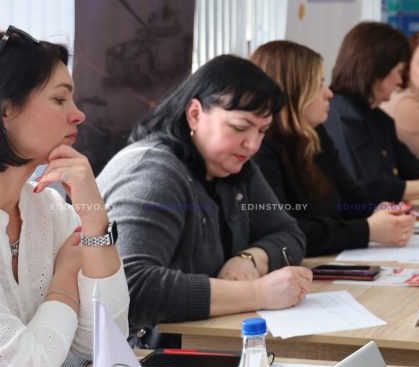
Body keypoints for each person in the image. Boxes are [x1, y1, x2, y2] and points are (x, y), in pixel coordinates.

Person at [96, 55, 312, 331]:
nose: (253, 145)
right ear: (195, 114)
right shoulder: (153, 172)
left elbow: (288, 232)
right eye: (240, 128)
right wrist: (258, 293)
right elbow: (130, 287)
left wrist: (249, 259)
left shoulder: (234, 166)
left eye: (262, 131)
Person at [0, 25, 129, 367]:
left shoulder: (50, 208)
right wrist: (65, 278)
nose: (79, 114)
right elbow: (27, 366)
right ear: (5, 110)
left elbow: (105, 340)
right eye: (59, 99)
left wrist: (94, 218)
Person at [250, 40, 415, 256]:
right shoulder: (259, 148)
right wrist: (367, 229)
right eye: (319, 84)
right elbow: (287, 231)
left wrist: (380, 211)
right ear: (293, 91)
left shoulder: (315, 133)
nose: (329, 93)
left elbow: (349, 200)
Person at [325, 22, 419, 205]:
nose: (399, 80)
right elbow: (375, 187)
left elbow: (413, 168)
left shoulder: (377, 117)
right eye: (398, 71)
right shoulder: (344, 117)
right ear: (376, 71)